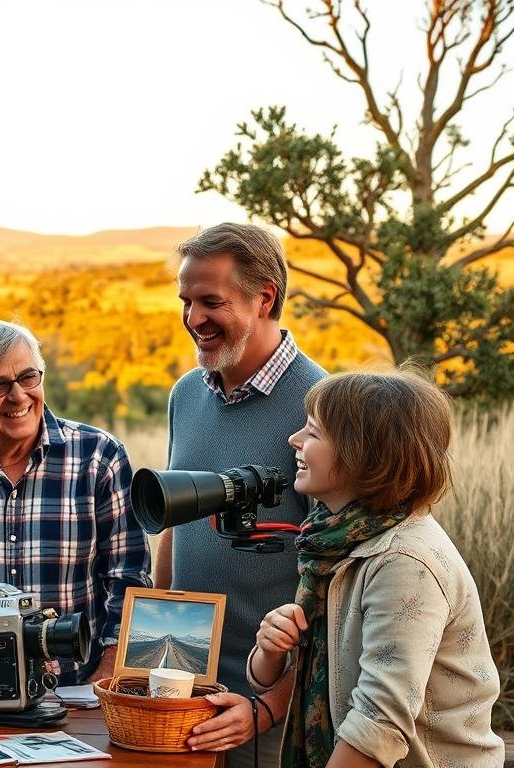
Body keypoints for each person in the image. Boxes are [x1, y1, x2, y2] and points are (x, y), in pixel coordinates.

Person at [248, 370, 504, 767]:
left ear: (363, 455)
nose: (294, 440)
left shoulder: (404, 563)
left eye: (313, 433)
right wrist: (269, 652)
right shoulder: (335, 540)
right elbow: (308, 677)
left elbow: (378, 725)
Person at [153, 223, 326, 763]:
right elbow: (174, 524)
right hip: (180, 693)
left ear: (265, 298)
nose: (193, 319)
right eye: (186, 301)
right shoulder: (187, 393)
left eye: (211, 301)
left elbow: (338, 581)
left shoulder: (321, 408)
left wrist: (268, 705)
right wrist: (149, 651)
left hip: (268, 709)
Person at [0, 319, 151, 684]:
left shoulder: (98, 457)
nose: (18, 396)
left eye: (28, 377)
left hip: (82, 687)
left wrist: (106, 676)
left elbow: (129, 578)